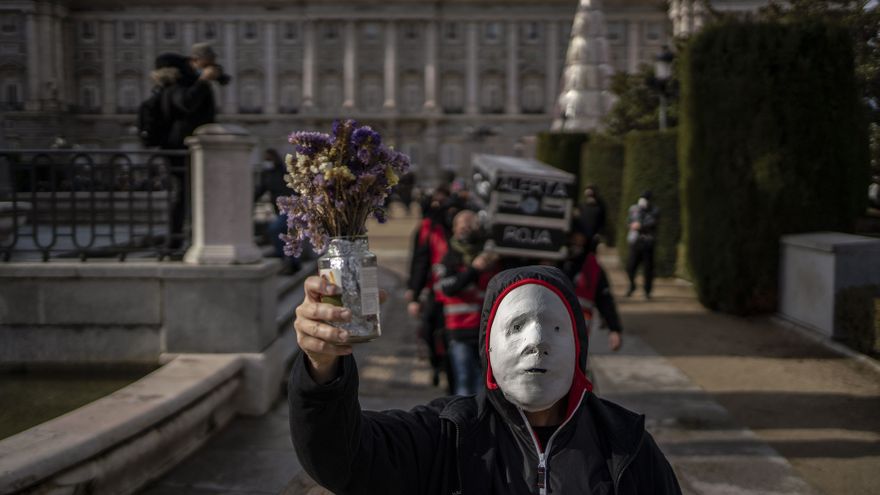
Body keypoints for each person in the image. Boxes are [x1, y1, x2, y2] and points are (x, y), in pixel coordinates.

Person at [289, 265, 682, 494]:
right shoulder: (449, 437)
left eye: (555, 328)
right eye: (516, 327)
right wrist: (322, 369)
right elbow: (343, 458)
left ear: (579, 346)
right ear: (488, 349)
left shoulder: (628, 448)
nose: (537, 343)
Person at [148, 52, 216, 251]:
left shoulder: (167, 88)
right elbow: (186, 103)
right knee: (182, 194)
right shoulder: (175, 89)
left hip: (178, 148)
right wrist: (203, 81)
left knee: (185, 194)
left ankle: (180, 237)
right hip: (181, 149)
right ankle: (176, 239)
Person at [435, 209, 499, 395]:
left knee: (484, 383)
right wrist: (474, 269)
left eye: (470, 224)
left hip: (486, 331)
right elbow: (448, 287)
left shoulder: (491, 257)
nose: (466, 229)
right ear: (454, 229)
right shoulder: (450, 257)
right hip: (459, 330)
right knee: (463, 381)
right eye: (462, 225)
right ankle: (462, 423)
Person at [254, 148, 300, 274]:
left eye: (269, 159)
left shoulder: (283, 171)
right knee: (288, 236)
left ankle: (284, 257)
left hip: (290, 208)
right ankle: (293, 263)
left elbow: (294, 187)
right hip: (278, 209)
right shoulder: (266, 174)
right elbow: (260, 190)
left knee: (275, 229)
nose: (267, 161)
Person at [573, 251, 623, 352]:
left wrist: (614, 328)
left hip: (577, 337)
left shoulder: (591, 266)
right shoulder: (545, 257)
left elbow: (604, 298)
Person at [625, 190, 660, 298]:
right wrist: (631, 225)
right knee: (630, 267)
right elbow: (628, 221)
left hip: (648, 243)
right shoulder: (633, 209)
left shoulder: (655, 210)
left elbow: (653, 223)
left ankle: (647, 291)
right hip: (635, 242)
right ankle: (632, 286)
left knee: (648, 269)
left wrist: (641, 226)